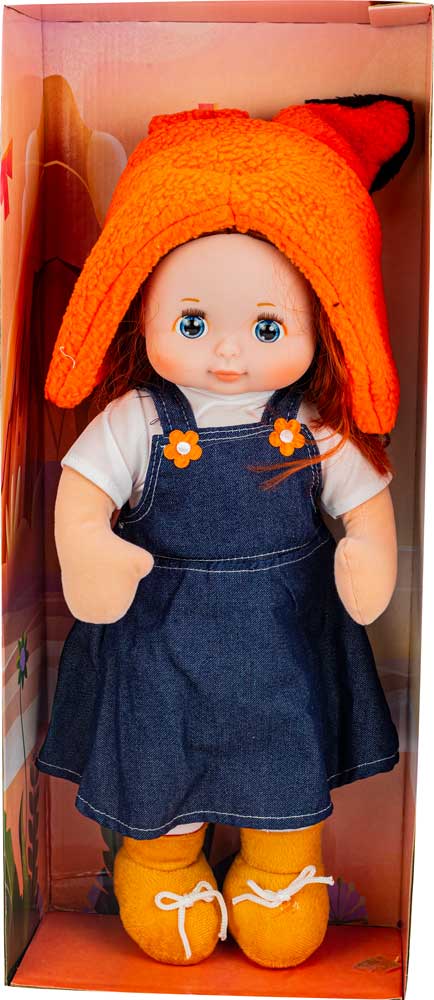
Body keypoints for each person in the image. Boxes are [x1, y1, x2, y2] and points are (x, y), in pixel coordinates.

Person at [37, 96, 414, 968]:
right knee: (159, 753)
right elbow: (82, 492)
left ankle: (280, 875)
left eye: (268, 327)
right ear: (142, 310)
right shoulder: (139, 420)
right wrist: (88, 547)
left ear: (322, 323)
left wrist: (368, 548)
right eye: (194, 323)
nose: (229, 355)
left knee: (282, 751)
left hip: (282, 638)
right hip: (160, 635)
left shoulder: (309, 428)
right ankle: (161, 867)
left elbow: (363, 500)